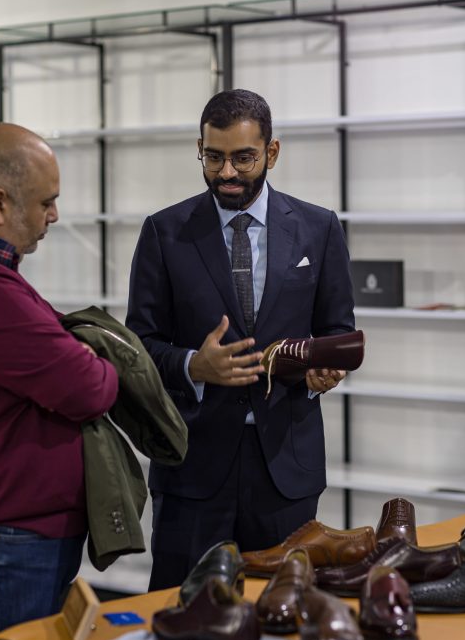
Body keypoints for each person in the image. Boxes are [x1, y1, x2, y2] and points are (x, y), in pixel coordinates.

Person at [126, 89, 355, 591]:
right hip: (192, 465)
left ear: (271, 153)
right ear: (200, 149)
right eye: (213, 157)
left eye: (243, 158)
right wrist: (192, 365)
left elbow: (337, 330)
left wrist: (323, 374)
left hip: (286, 469)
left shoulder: (318, 229)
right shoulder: (164, 232)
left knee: (285, 612)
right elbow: (137, 344)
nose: (226, 173)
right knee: (180, 608)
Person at [0, 123, 119, 640]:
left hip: (15, 540)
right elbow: (89, 387)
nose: (54, 216)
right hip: (7, 545)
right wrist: (92, 359)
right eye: (45, 202)